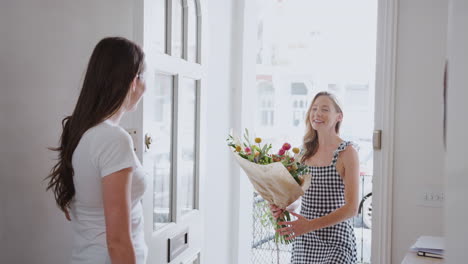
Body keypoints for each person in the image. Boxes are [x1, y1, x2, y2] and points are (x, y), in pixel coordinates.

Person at [46, 37, 147, 264]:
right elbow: (117, 241)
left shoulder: (82, 131)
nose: (144, 87)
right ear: (134, 81)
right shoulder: (113, 139)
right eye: (143, 78)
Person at [271, 91, 359, 263]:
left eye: (325, 109)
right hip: (305, 241)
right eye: (314, 108)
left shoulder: (347, 152)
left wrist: (309, 225)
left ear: (338, 117)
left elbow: (352, 208)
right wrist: (283, 206)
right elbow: (298, 197)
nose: (317, 113)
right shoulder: (304, 153)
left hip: (336, 240)